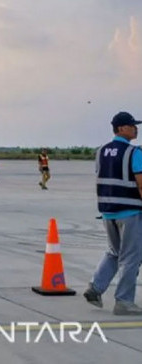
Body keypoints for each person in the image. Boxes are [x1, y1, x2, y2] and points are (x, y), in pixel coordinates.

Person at [83, 112, 142, 316]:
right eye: (132, 125)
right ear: (122, 128)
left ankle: (95, 288)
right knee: (131, 257)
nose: (136, 128)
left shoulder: (101, 151)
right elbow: (141, 183)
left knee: (114, 252)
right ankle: (124, 301)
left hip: (108, 212)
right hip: (130, 211)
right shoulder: (134, 152)